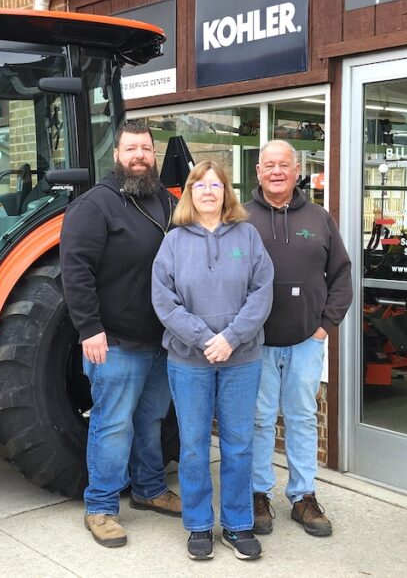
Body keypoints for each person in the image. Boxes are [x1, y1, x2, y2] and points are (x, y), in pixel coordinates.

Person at [60, 120, 181, 548]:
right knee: (112, 425)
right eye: (131, 149)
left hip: (164, 343)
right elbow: (76, 271)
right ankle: (102, 507)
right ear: (116, 155)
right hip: (115, 342)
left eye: (146, 149)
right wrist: (90, 328)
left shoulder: (168, 202)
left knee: (150, 421)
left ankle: (149, 490)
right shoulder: (97, 205)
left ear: (154, 153)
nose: (139, 156)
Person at [152, 160, 274, 561]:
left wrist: (232, 338)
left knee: (239, 444)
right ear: (189, 192)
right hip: (189, 360)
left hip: (242, 359)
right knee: (193, 445)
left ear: (226, 192)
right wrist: (207, 340)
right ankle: (199, 525)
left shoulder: (248, 235)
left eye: (215, 184)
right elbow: (164, 302)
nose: (208, 191)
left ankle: (238, 526)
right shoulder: (173, 242)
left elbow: (262, 292)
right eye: (199, 185)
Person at [245, 140, 353, 537]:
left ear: (296, 171)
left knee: (303, 417)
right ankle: (259, 494)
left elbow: (341, 276)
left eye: (284, 165)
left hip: (307, 341)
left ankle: (303, 496)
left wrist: (325, 325)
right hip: (255, 345)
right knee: (258, 420)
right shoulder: (240, 218)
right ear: (258, 171)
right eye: (269, 165)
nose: (277, 172)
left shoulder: (320, 218)